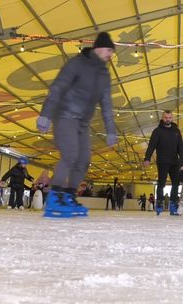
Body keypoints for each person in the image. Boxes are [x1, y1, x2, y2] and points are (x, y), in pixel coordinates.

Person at [36, 32, 118, 218]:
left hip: (83, 122)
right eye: (108, 50)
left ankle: (69, 196)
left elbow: (106, 104)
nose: (110, 55)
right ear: (97, 48)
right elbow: (58, 87)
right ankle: (54, 197)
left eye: (112, 52)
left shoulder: (104, 74)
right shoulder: (77, 63)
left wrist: (111, 131)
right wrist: (45, 114)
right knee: (70, 155)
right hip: (64, 115)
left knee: (83, 160)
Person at [144, 110, 183, 215]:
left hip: (175, 162)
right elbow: (151, 146)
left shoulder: (176, 131)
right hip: (162, 161)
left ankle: (173, 205)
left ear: (172, 118)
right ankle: (160, 204)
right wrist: (147, 158)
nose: (168, 119)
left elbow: (181, 147)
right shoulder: (157, 131)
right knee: (161, 183)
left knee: (176, 183)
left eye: (170, 117)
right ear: (162, 118)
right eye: (166, 117)